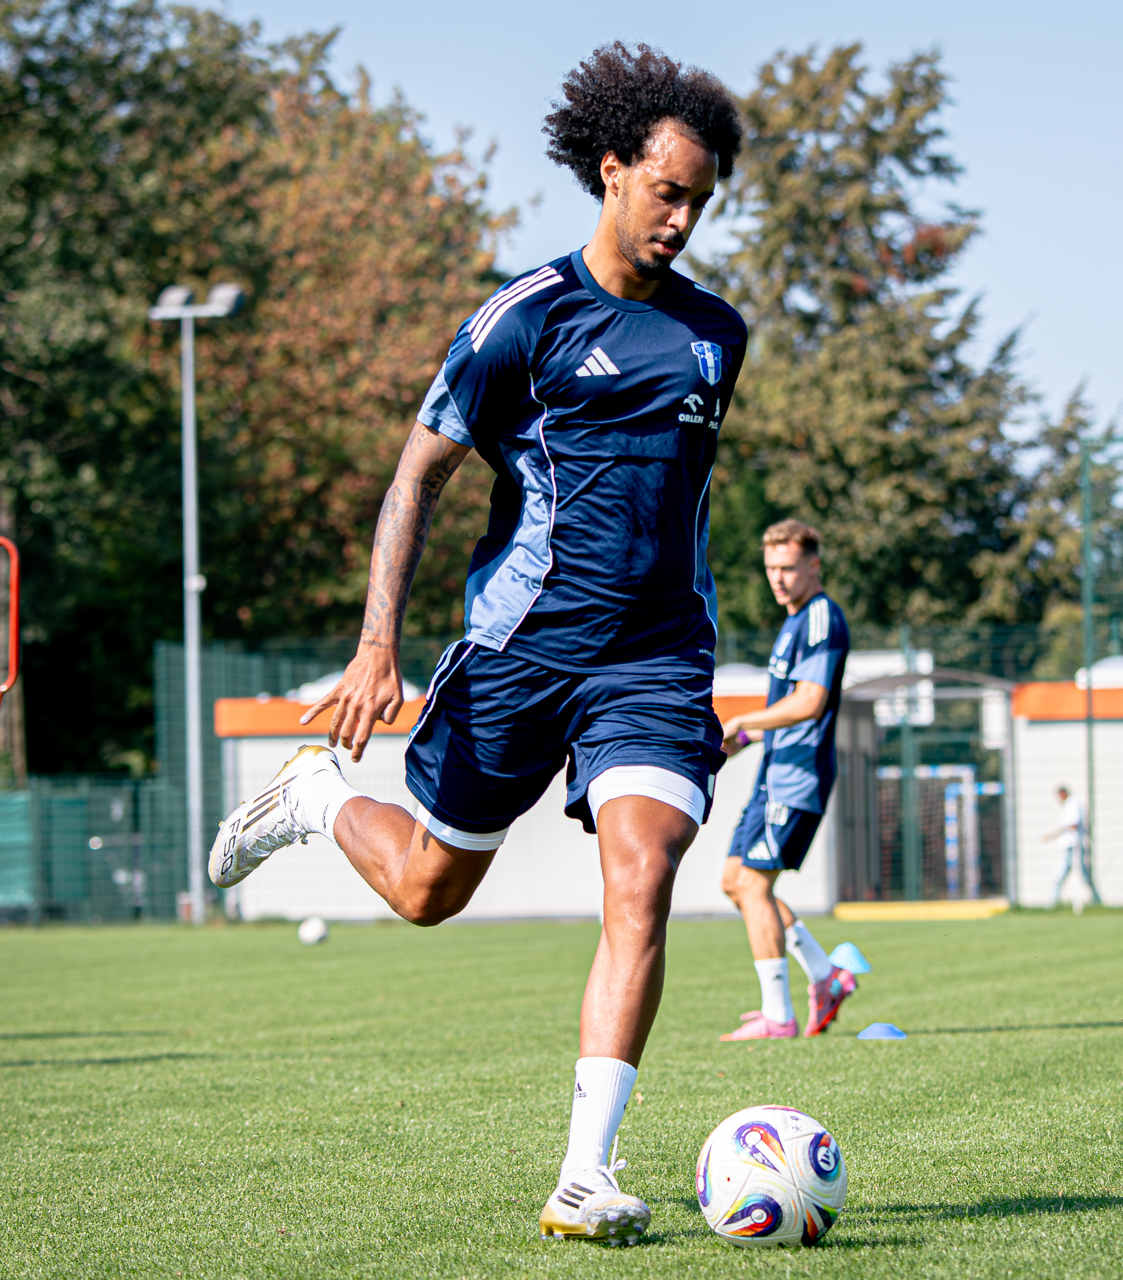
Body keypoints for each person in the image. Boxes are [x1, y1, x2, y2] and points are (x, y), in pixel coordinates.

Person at [204, 43, 745, 1247]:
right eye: (668, 191)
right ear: (612, 170)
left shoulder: (718, 335)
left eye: (702, 201)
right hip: (520, 651)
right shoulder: (524, 319)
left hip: (656, 661)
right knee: (425, 891)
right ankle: (314, 797)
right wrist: (376, 642)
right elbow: (417, 475)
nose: (683, 218)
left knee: (643, 876)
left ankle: (584, 1173)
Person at [717, 520, 858, 1040]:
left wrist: (743, 720)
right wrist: (746, 739)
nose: (777, 578)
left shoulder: (821, 616)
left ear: (814, 566)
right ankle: (826, 976)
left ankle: (778, 1016)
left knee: (754, 884)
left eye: (788, 568)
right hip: (773, 772)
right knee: (737, 881)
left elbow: (809, 702)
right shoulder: (794, 621)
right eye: (771, 568)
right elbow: (787, 709)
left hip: (798, 776)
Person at [1042, 784, 1099, 913]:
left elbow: (1073, 825)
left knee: (1078, 876)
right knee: (1062, 876)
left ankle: (1091, 902)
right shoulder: (1068, 805)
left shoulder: (1073, 804)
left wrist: (1052, 835)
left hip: (1074, 846)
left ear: (1063, 794)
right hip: (1069, 846)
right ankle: (1053, 904)